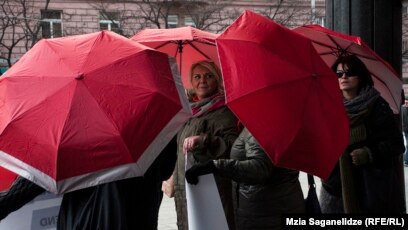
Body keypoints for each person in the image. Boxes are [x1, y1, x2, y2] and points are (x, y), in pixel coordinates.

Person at [0, 137, 177, 230]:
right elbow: (166, 170)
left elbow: (43, 172)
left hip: (91, 219)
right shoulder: (159, 119)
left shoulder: (84, 124)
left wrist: (6, 203)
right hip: (141, 217)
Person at [320, 54, 405, 213]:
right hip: (336, 190)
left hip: (372, 189)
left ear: (360, 76)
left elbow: (396, 144)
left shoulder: (377, 106)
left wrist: (369, 153)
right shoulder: (328, 106)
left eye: (349, 72)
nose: (343, 77)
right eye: (339, 73)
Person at [185, 127, 305, 230]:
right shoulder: (283, 121)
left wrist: (215, 166)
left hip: (265, 215)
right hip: (282, 206)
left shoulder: (261, 124)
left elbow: (258, 169)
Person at [172, 60, 239, 230]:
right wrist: (171, 177)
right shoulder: (187, 112)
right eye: (197, 77)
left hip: (212, 188)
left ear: (217, 80)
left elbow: (232, 148)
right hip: (184, 187)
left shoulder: (225, 112)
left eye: (208, 76)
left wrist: (202, 141)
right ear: (192, 82)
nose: (202, 80)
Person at [401, 99, 408, 166]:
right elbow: (402, 120)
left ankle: (406, 160)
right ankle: (406, 160)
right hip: (405, 130)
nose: (406, 104)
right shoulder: (403, 109)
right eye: (406, 102)